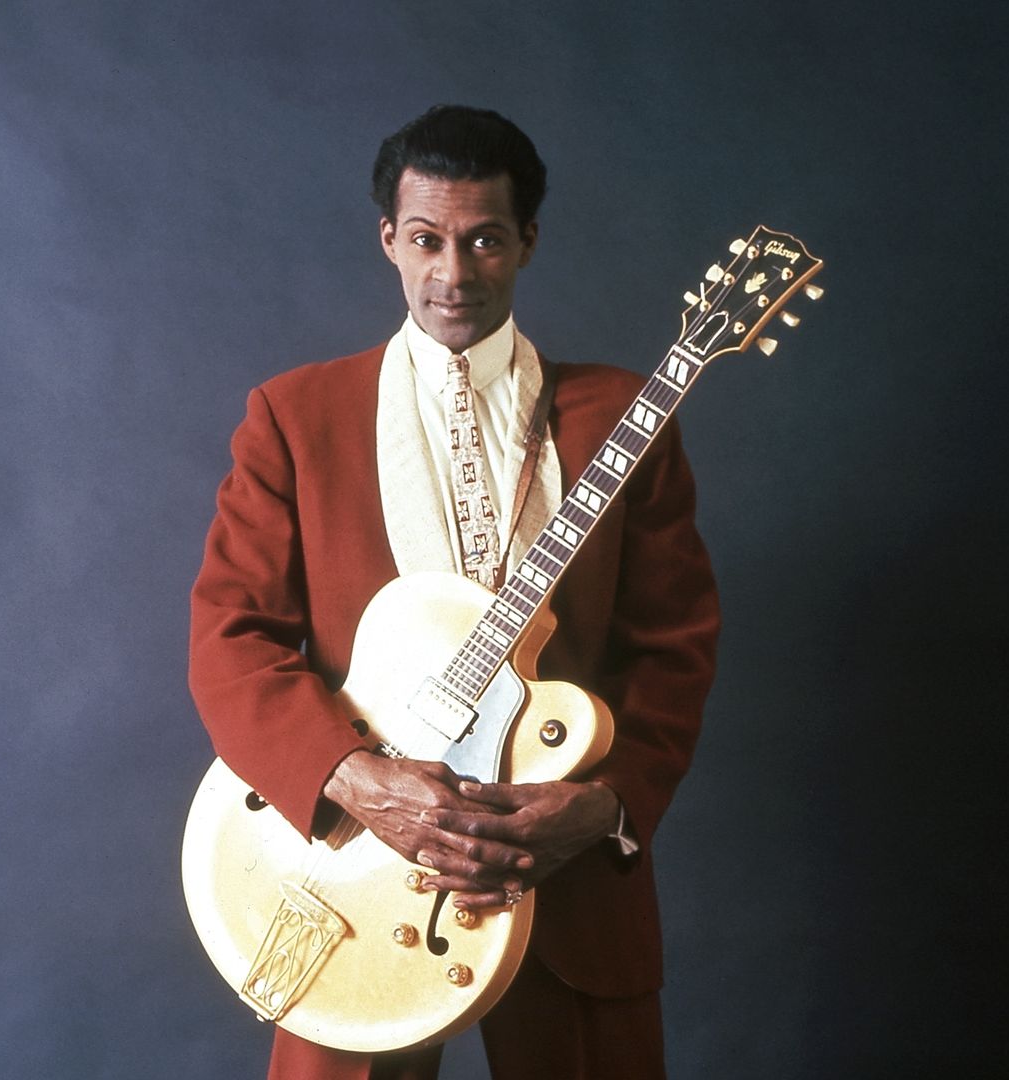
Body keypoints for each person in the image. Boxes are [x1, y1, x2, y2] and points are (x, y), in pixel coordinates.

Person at [189, 104, 720, 1080]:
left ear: (527, 242)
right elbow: (231, 640)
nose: (454, 273)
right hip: (355, 878)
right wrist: (353, 780)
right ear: (389, 238)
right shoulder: (296, 418)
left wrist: (603, 807)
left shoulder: (624, 417)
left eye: (484, 240)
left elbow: (673, 652)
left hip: (565, 881)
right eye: (427, 239)